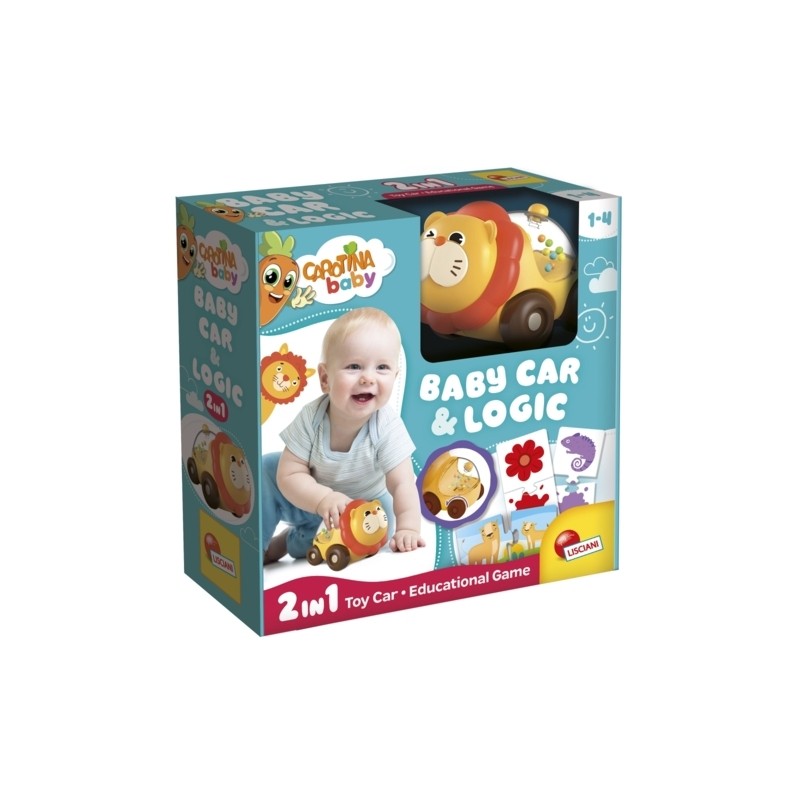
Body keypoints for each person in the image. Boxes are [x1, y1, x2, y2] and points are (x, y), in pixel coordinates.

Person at [262, 307, 424, 563]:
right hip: (308, 497)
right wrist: (323, 499)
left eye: (382, 367)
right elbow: (289, 475)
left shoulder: (386, 425)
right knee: (267, 467)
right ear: (325, 379)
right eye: (354, 366)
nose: (368, 378)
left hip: (362, 510)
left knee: (377, 528)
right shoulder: (311, 417)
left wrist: (409, 527)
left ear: (395, 376)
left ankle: (288, 542)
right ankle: (257, 545)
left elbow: (402, 483)